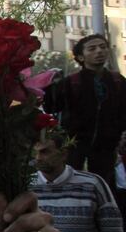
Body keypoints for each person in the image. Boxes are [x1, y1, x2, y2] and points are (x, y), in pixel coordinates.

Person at [43, 34, 126, 187]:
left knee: (104, 187)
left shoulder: (118, 80)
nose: (99, 51)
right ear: (81, 57)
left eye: (103, 47)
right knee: (75, 185)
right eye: (92, 49)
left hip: (107, 148)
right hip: (76, 148)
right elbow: (51, 107)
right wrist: (49, 85)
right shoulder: (71, 82)